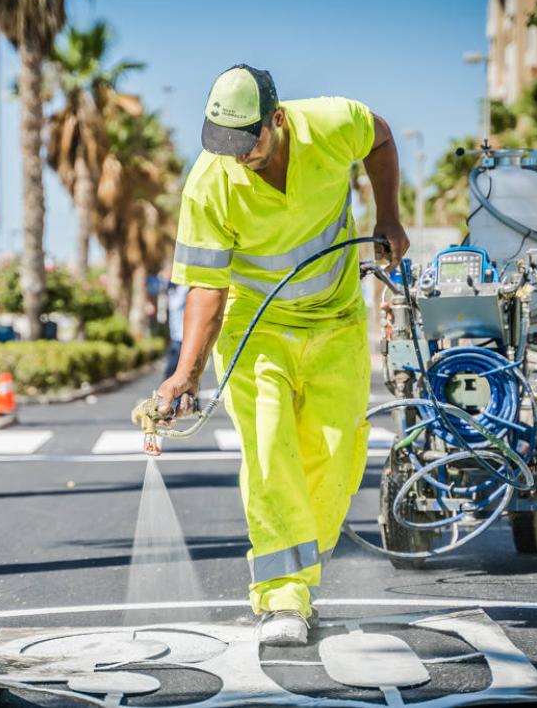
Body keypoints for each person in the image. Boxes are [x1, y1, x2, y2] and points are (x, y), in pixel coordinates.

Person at [154, 64, 408, 645]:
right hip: (258, 326)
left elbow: (382, 135)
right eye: (224, 143)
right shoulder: (209, 183)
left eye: (249, 140)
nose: (237, 154)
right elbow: (205, 289)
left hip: (337, 320)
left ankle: (301, 562)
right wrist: (184, 375)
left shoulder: (331, 122)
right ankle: (282, 597)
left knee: (336, 450)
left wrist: (387, 215)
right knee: (269, 449)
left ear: (278, 118)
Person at [163, 281, 189, 378]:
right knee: (173, 363)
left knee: (184, 363)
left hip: (183, 335)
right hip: (175, 335)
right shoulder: (171, 293)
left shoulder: (183, 290)